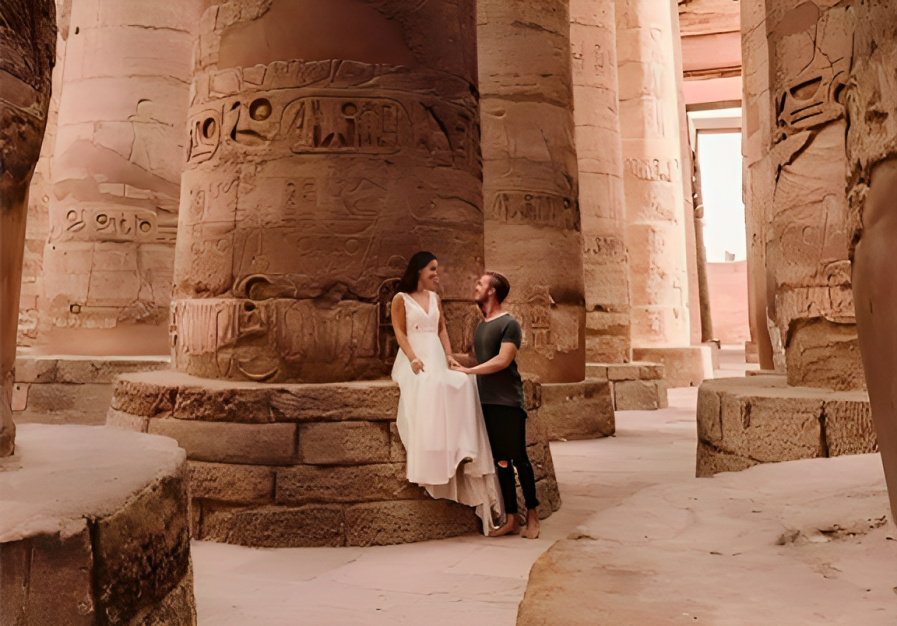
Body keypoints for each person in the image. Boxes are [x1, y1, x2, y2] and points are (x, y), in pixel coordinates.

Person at [390, 252, 502, 533]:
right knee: (430, 386)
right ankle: (433, 453)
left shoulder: (435, 298)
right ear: (419, 270)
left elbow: (441, 329)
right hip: (414, 358)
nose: (436, 274)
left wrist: (449, 357)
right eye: (432, 269)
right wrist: (413, 358)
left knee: (464, 382)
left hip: (437, 357)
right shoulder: (401, 299)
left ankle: (463, 448)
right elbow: (400, 332)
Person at [451, 271, 540, 539]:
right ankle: (512, 519)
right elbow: (479, 360)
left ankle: (532, 515)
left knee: (519, 459)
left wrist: (469, 371)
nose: (475, 286)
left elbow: (502, 361)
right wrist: (454, 363)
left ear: (492, 291)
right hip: (486, 402)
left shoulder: (509, 324)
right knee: (501, 461)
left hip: (508, 401)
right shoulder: (481, 325)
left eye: (480, 283)